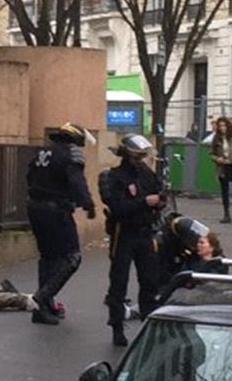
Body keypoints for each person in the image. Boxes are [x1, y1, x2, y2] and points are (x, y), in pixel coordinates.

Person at [26, 122, 96, 325]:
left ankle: (43, 309)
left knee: (48, 258)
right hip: (56, 211)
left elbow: (29, 177)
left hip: (35, 208)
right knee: (71, 258)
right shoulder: (70, 153)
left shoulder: (43, 152)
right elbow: (76, 182)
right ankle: (42, 297)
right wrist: (87, 204)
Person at [99, 133, 162, 347]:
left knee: (150, 281)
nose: (140, 159)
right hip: (123, 233)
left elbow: (157, 196)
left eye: (142, 156)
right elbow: (117, 208)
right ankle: (117, 326)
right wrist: (145, 202)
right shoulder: (113, 176)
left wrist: (158, 203)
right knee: (119, 282)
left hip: (145, 232)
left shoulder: (148, 174)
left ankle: (148, 324)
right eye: (136, 155)